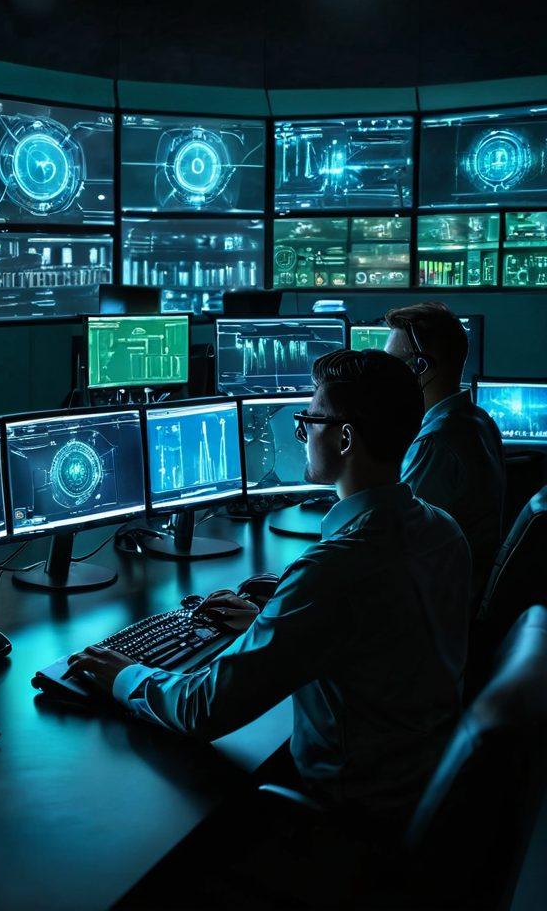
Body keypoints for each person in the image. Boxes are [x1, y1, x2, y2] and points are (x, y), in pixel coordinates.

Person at [67, 350, 472, 822]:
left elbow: (204, 710)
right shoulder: (444, 532)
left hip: (350, 810)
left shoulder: (335, 568)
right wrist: (272, 622)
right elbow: (377, 640)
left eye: (308, 421)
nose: (300, 435)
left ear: (344, 438)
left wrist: (124, 675)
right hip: (423, 784)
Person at [383, 302, 505, 606]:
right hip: (454, 588)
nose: (384, 377)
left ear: (420, 368)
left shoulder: (435, 443)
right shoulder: (477, 419)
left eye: (392, 365)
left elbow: (386, 540)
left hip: (431, 605)